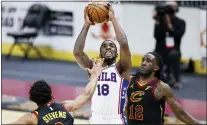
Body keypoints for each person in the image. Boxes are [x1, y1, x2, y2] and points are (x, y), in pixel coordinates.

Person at [73, 3, 131, 124]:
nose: (108, 48)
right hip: (96, 118)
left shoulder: (122, 68)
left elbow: (124, 43)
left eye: (112, 46)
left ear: (117, 54)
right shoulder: (93, 68)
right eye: (104, 46)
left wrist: (113, 20)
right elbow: (77, 53)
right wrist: (87, 24)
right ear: (100, 54)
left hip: (116, 119)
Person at [10, 57, 107, 125]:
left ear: (34, 100)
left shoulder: (32, 117)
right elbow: (86, 95)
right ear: (51, 94)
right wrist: (95, 76)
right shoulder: (65, 106)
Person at [124, 52, 200, 125]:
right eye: (143, 60)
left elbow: (180, 113)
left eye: (148, 61)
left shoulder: (162, 87)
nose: (143, 63)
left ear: (156, 67)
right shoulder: (130, 80)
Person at [153, 1, 186, 89]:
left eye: (172, 7)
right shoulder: (160, 21)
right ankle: (153, 78)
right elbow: (156, 36)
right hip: (161, 49)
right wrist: (157, 22)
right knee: (152, 55)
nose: (169, 10)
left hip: (173, 49)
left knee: (174, 55)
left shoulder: (181, 22)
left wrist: (169, 25)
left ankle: (176, 79)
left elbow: (178, 35)